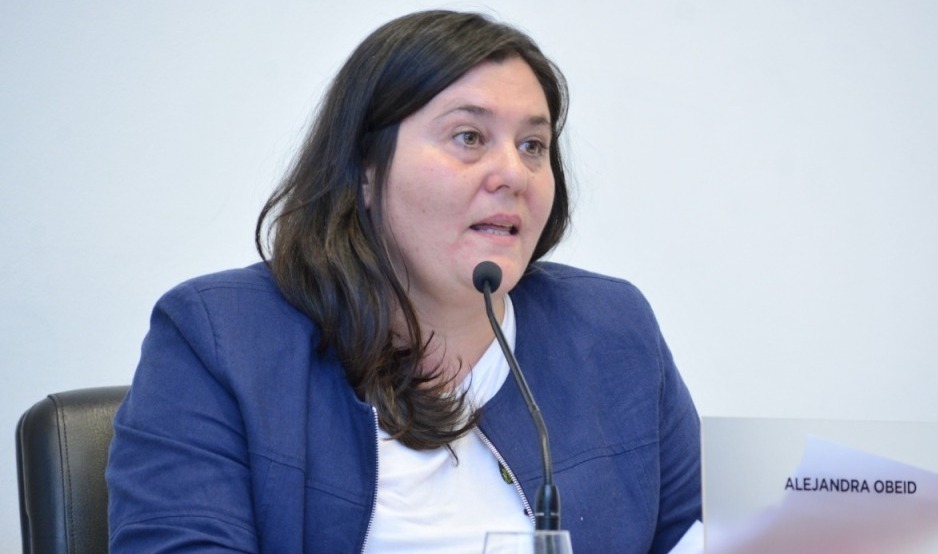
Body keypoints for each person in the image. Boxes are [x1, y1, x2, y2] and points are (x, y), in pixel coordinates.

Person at [106, 9, 701, 553]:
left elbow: (720, 532)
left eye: (533, 145)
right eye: (469, 137)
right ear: (365, 169)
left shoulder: (612, 326)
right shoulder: (219, 338)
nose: (513, 173)